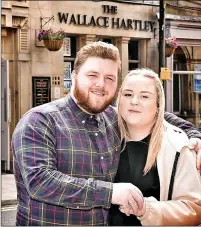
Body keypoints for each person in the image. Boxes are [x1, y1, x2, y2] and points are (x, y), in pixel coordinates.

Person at [12, 42, 201, 226]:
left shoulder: (112, 117)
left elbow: (154, 114)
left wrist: (195, 134)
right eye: (92, 75)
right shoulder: (40, 120)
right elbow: (40, 182)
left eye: (109, 78)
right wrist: (111, 193)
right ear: (74, 75)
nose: (101, 84)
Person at [109, 68, 201, 226]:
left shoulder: (178, 146)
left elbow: (194, 209)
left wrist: (147, 210)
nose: (134, 101)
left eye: (144, 96)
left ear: (158, 104)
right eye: (128, 94)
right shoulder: (101, 136)